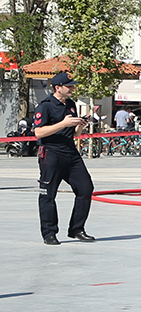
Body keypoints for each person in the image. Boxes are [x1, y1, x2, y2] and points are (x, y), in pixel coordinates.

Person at [34, 71, 96, 244]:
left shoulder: (70, 104)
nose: (72, 89)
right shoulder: (45, 106)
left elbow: (73, 133)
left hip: (70, 152)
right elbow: (38, 132)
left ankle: (77, 228)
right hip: (51, 153)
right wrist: (63, 123)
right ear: (57, 88)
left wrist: (80, 125)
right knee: (48, 195)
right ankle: (49, 233)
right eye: (68, 86)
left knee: (85, 188)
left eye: (72, 86)